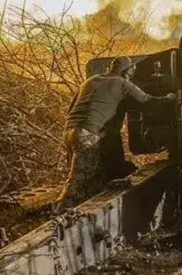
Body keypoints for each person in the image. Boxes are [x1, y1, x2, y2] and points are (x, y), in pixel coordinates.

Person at [56, 56, 175, 211]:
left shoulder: (91, 80)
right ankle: (57, 215)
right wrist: (169, 98)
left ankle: (72, 211)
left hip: (70, 132)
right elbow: (148, 103)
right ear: (127, 71)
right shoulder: (122, 84)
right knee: (78, 183)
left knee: (94, 177)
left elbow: (72, 108)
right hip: (88, 134)